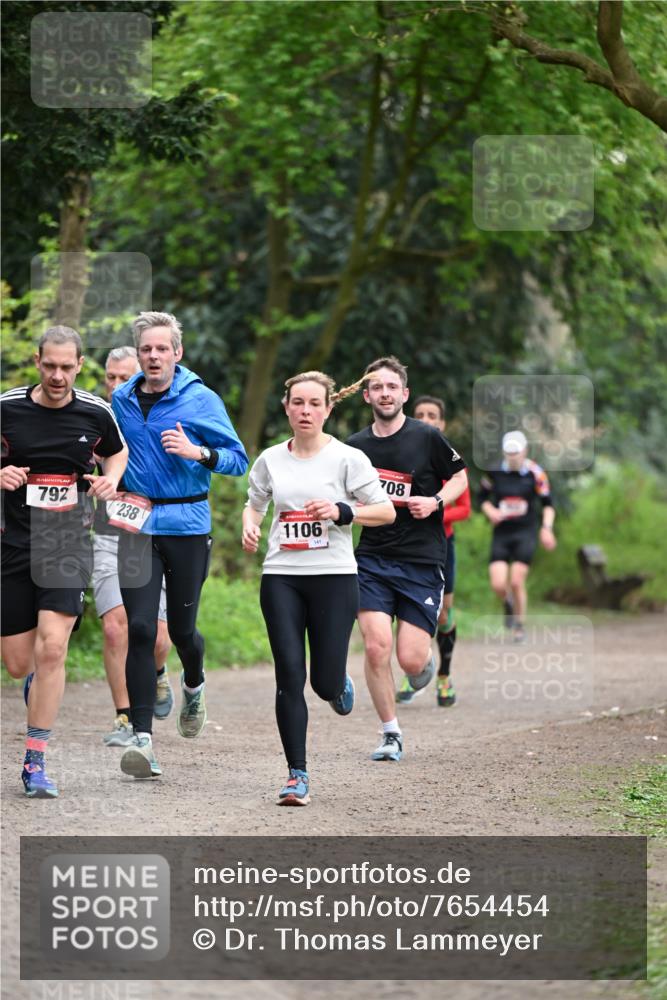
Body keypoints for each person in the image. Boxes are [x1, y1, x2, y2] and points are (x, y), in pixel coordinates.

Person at [242, 371, 394, 806]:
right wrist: (250, 530)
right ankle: (296, 775)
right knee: (289, 676)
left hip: (334, 576)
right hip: (282, 576)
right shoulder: (270, 459)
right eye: (298, 403)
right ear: (286, 407)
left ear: (328, 409)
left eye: (314, 404)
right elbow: (253, 507)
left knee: (323, 684)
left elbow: (385, 512)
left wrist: (343, 510)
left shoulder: (348, 459)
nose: (305, 411)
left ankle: (337, 685)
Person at [111, 311, 248, 780]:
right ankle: (143, 740)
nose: (153, 356)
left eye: (161, 349)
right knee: (142, 629)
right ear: (138, 353)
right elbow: (111, 451)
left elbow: (237, 461)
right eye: (146, 349)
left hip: (188, 523)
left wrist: (198, 453)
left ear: (177, 353)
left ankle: (193, 681)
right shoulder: (121, 399)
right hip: (136, 523)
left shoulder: (201, 399)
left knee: (184, 632)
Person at [1, 326, 128, 797]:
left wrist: (110, 480)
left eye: (66, 367)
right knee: (18, 664)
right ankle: (36, 677)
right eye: (49, 365)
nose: (57, 375)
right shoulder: (7, 406)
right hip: (12, 545)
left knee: (53, 648)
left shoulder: (96, 412)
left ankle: (35, 763)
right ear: (37, 361)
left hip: (68, 543)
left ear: (78, 366)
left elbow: (116, 455)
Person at [347, 357, 468, 762]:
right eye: (377, 387)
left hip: (421, 559)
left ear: (404, 393)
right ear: (367, 396)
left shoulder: (427, 437)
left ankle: (424, 666)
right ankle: (390, 732)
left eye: (391, 387)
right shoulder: (355, 447)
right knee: (377, 647)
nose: (384, 393)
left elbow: (460, 477)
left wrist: (434, 502)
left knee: (410, 658)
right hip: (373, 558)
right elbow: (343, 496)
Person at [93, 347, 173, 747]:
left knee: (157, 639)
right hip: (110, 530)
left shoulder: (160, 415)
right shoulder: (94, 418)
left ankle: (156, 675)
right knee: (114, 627)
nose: (117, 386)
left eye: (126, 378)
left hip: (156, 533)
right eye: (111, 377)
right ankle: (124, 716)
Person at [396, 395, 471, 708]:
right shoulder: (401, 453)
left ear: (441, 423)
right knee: (404, 608)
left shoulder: (447, 459)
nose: (426, 419)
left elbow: (465, 509)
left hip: (441, 545)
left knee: (442, 613)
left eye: (432, 415)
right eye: (420, 414)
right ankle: (412, 669)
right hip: (406, 545)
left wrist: (434, 511)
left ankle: (444, 675)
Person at [479, 430, 557, 642]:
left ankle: (519, 625)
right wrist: (491, 512)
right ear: (504, 452)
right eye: (509, 452)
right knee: (497, 584)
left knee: (516, 580)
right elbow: (482, 499)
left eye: (517, 452)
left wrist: (547, 528)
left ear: (525, 451)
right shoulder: (493, 472)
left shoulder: (536, 473)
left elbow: (548, 506)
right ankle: (508, 603)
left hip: (526, 532)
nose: (513, 456)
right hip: (502, 533)